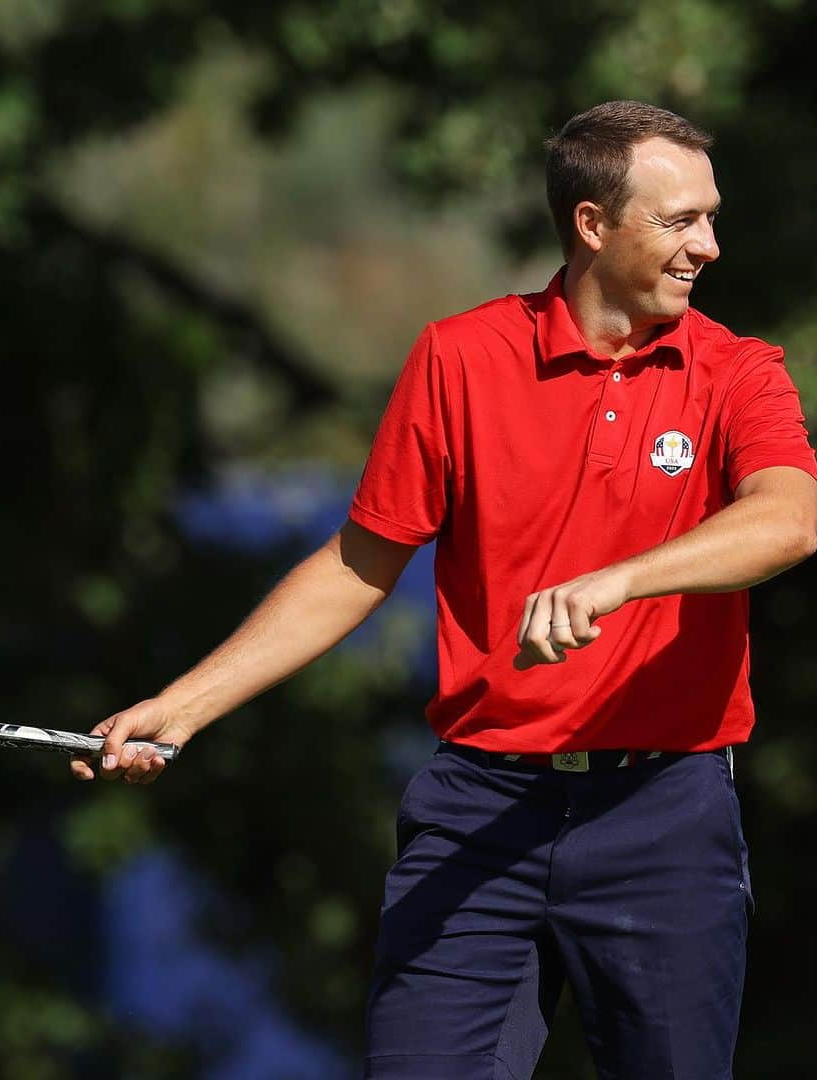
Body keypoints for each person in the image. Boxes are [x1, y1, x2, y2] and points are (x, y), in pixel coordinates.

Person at [70, 101, 817, 1078]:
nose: (709, 246)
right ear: (593, 225)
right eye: (680, 221)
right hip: (479, 803)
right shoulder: (460, 359)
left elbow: (789, 520)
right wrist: (183, 707)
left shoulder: (739, 373)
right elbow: (357, 565)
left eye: (711, 217)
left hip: (663, 813)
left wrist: (620, 582)